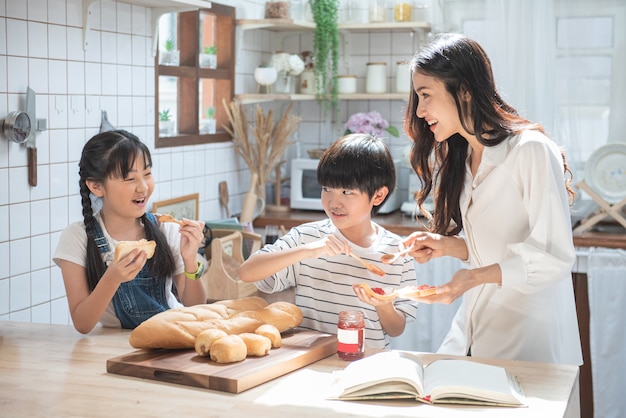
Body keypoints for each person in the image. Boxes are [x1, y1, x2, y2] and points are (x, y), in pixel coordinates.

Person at [401, 33, 582, 365]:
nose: (421, 110)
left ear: (466, 90)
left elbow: (553, 255)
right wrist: (445, 245)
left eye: (425, 95)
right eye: (417, 97)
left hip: (528, 337)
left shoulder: (530, 150)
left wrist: (473, 277)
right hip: (474, 327)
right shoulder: (465, 158)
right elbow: (497, 244)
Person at [239, 133, 418, 349]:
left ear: (378, 196)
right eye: (326, 189)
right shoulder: (307, 237)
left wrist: (383, 306)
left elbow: (396, 329)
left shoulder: (397, 252)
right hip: (312, 361)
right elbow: (247, 272)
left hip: (369, 363)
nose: (334, 202)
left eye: (346, 192)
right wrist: (307, 250)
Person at [53, 130, 207, 334]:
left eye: (147, 174)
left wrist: (190, 262)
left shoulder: (165, 229)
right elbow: (82, 324)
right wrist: (113, 278)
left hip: (172, 338)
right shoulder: (77, 238)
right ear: (97, 186)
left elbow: (195, 307)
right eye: (129, 179)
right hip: (115, 349)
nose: (143, 187)